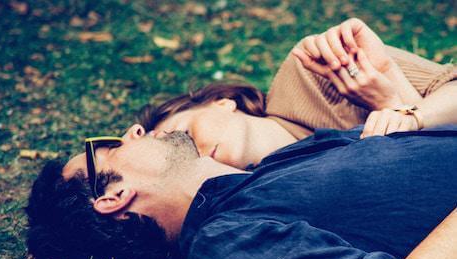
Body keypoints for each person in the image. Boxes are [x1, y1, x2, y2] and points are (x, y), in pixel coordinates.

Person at [26, 125, 457, 259]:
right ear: (111, 197)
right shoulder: (223, 245)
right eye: (107, 147)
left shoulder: (266, 169)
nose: (134, 130)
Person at [139, 18, 456, 169]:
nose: (196, 154)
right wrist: (389, 103)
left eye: (185, 136)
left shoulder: (312, 71)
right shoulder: (273, 191)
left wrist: (395, 93)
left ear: (222, 103)